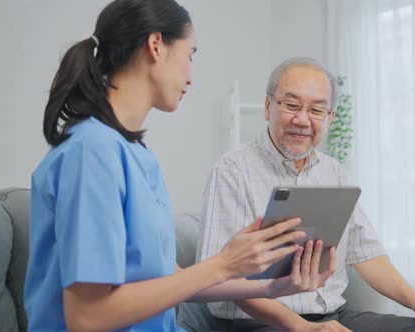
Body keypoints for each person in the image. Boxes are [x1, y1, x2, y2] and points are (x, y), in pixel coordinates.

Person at [24, 2, 335, 331]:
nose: (191, 76)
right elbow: (87, 317)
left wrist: (274, 287)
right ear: (156, 45)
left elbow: (168, 278)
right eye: (191, 55)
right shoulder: (91, 152)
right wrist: (221, 264)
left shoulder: (135, 153)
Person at [191, 57, 415, 332]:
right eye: (291, 105)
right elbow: (220, 279)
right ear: (267, 107)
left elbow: (367, 253)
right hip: (258, 324)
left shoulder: (333, 172)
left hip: (333, 316)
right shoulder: (232, 171)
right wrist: (301, 327)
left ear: (330, 118)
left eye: (316, 110)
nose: (302, 119)